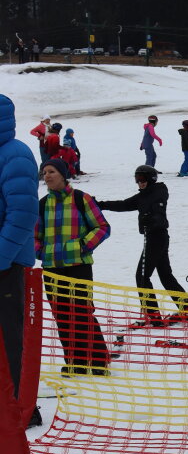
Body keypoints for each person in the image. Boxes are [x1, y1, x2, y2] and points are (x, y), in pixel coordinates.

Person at [35, 158, 111, 375]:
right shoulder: (42, 204)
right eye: (44, 172)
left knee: (82, 312)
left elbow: (102, 227)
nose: (47, 176)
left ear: (62, 174)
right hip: (52, 268)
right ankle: (75, 361)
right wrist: (40, 251)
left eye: (51, 171)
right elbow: (34, 236)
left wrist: (83, 246)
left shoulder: (81, 199)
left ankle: (97, 361)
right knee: (61, 314)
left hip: (79, 266)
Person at [96, 165, 188, 324]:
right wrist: (100, 204)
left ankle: (153, 314)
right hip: (155, 237)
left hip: (157, 236)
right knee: (165, 275)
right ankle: (186, 309)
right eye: (137, 180)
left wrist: (153, 218)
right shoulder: (142, 197)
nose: (140, 183)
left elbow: (159, 206)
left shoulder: (159, 191)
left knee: (142, 276)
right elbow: (123, 205)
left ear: (151, 179)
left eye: (142, 180)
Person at [0, 95, 41, 425]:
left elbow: (23, 214)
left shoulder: (16, 154)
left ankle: (23, 411)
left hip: (8, 265)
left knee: (11, 338)